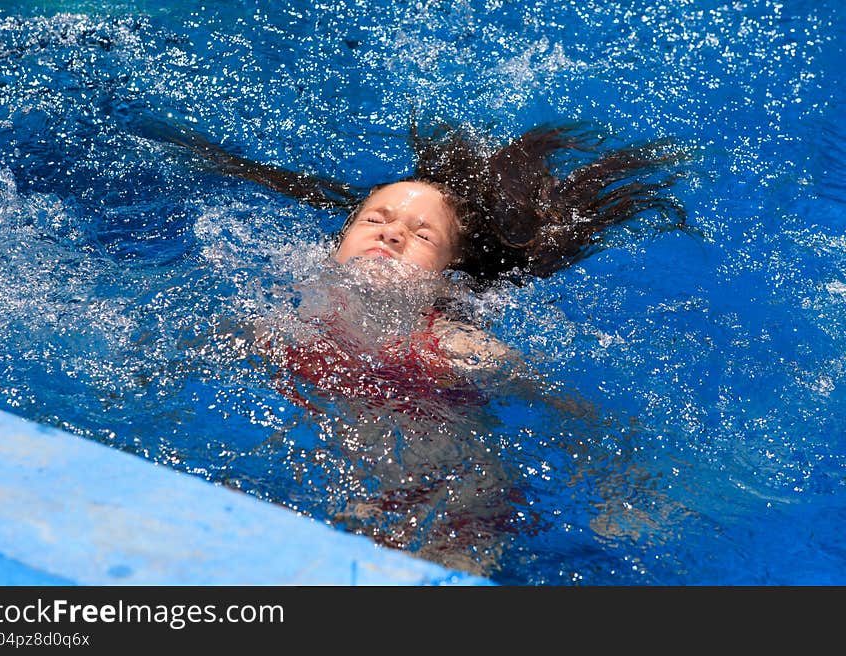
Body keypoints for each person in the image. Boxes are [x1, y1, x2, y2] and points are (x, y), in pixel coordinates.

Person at [140, 114, 689, 575]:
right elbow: (201, 340)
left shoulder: (460, 348)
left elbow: (577, 416)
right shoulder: (287, 314)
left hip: (451, 508)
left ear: (449, 277)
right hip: (324, 484)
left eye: (422, 235)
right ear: (337, 247)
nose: (392, 232)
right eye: (375, 219)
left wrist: (622, 487)